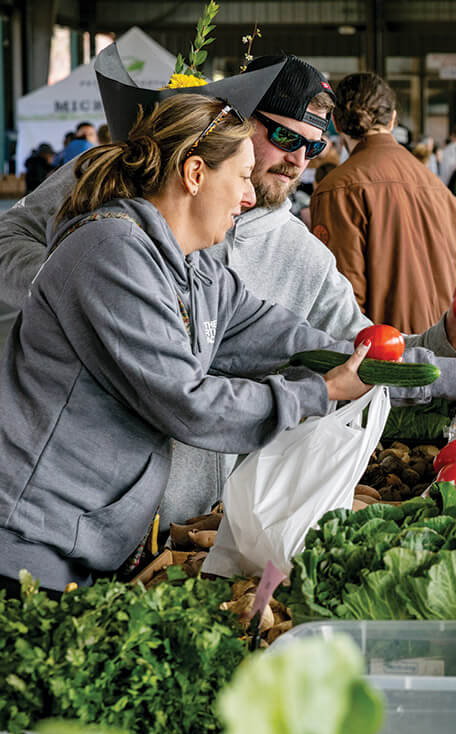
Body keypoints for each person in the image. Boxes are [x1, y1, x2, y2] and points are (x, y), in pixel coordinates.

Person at [0, 48, 456, 527]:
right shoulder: (118, 195)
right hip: (65, 512)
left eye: (315, 147)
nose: (298, 161)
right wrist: (69, 296)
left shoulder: (272, 263)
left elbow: (348, 353)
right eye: (286, 139)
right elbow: (188, 399)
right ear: (232, 127)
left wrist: (453, 361)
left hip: (190, 512)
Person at [0, 92, 378, 593]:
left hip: (82, 543)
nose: (249, 198)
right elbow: (187, 404)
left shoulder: (196, 269)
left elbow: (290, 340)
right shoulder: (111, 251)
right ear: (196, 174)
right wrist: (321, 392)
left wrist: (450, 372)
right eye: (242, 178)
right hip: (28, 544)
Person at [310, 72, 456, 334]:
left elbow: (342, 306)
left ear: (335, 121)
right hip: (443, 357)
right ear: (393, 119)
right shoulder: (440, 190)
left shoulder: (338, 189)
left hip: (382, 360)